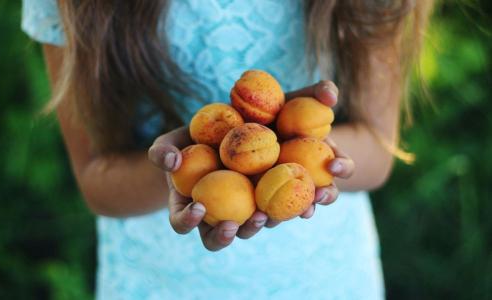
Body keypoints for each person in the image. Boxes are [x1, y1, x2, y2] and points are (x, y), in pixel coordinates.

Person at [22, 0, 433, 298]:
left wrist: (305, 152)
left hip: (322, 276)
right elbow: (97, 180)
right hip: (161, 280)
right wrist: (179, 168)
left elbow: (378, 152)